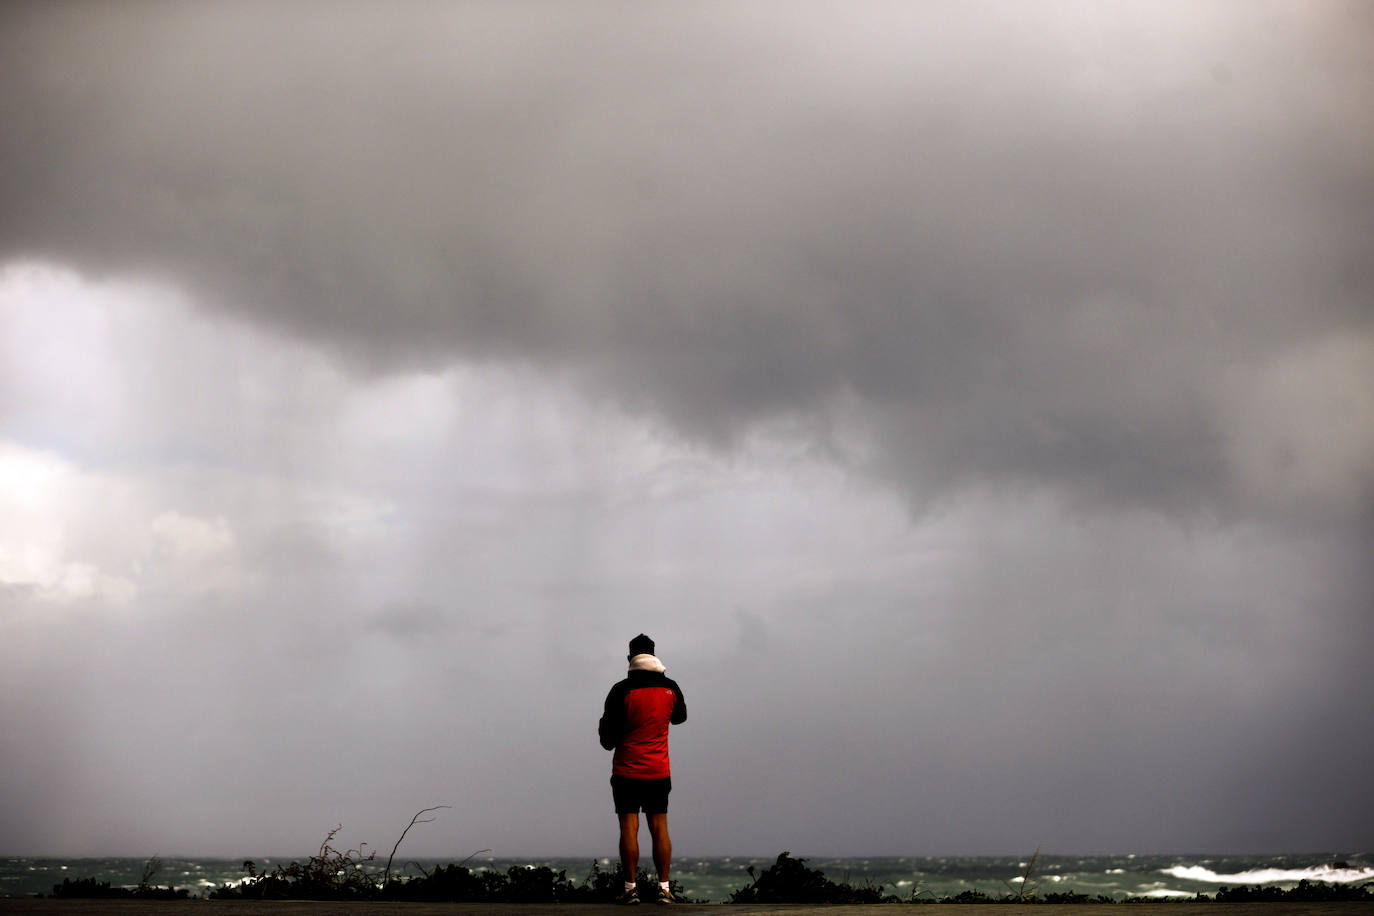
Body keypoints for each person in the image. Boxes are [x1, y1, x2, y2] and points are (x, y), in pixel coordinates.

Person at [598, 633, 687, 904]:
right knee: (660, 827)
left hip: (626, 771)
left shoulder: (620, 690)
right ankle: (664, 890)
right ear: (654, 654)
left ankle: (630, 889)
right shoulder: (670, 687)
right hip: (658, 770)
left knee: (629, 828)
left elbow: (607, 741)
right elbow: (680, 718)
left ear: (629, 658)